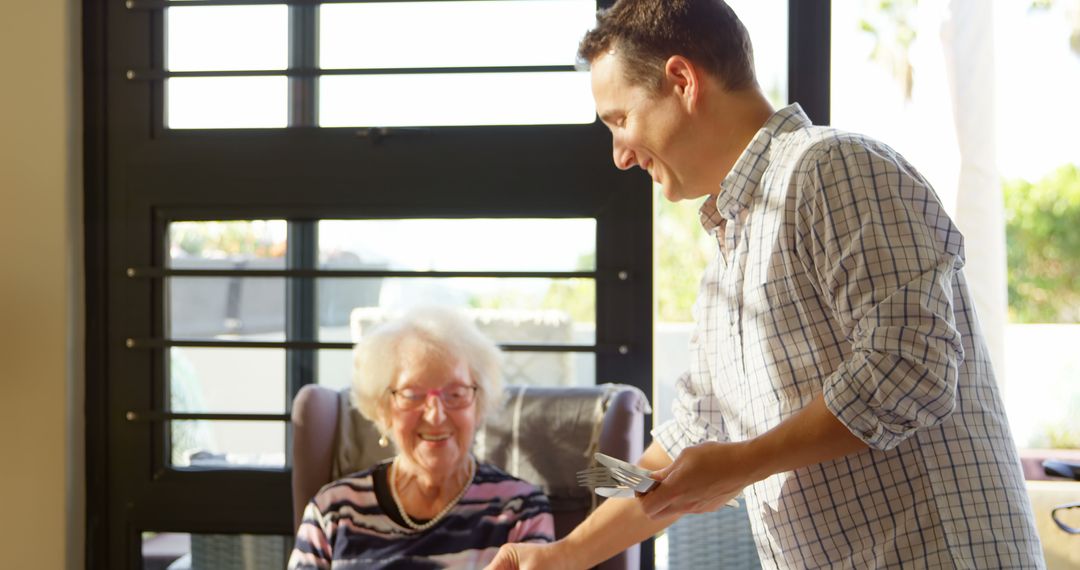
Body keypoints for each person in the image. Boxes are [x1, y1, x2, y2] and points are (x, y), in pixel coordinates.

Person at [487, 0, 1044, 568]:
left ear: (682, 80)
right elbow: (694, 438)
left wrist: (745, 461)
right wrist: (561, 555)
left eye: (619, 120)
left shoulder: (834, 168)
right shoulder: (723, 269)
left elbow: (910, 365)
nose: (620, 156)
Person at [289, 306, 555, 569]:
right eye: (413, 394)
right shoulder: (333, 511)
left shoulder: (520, 510)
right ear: (383, 407)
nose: (436, 415)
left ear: (479, 404)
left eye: (456, 393)